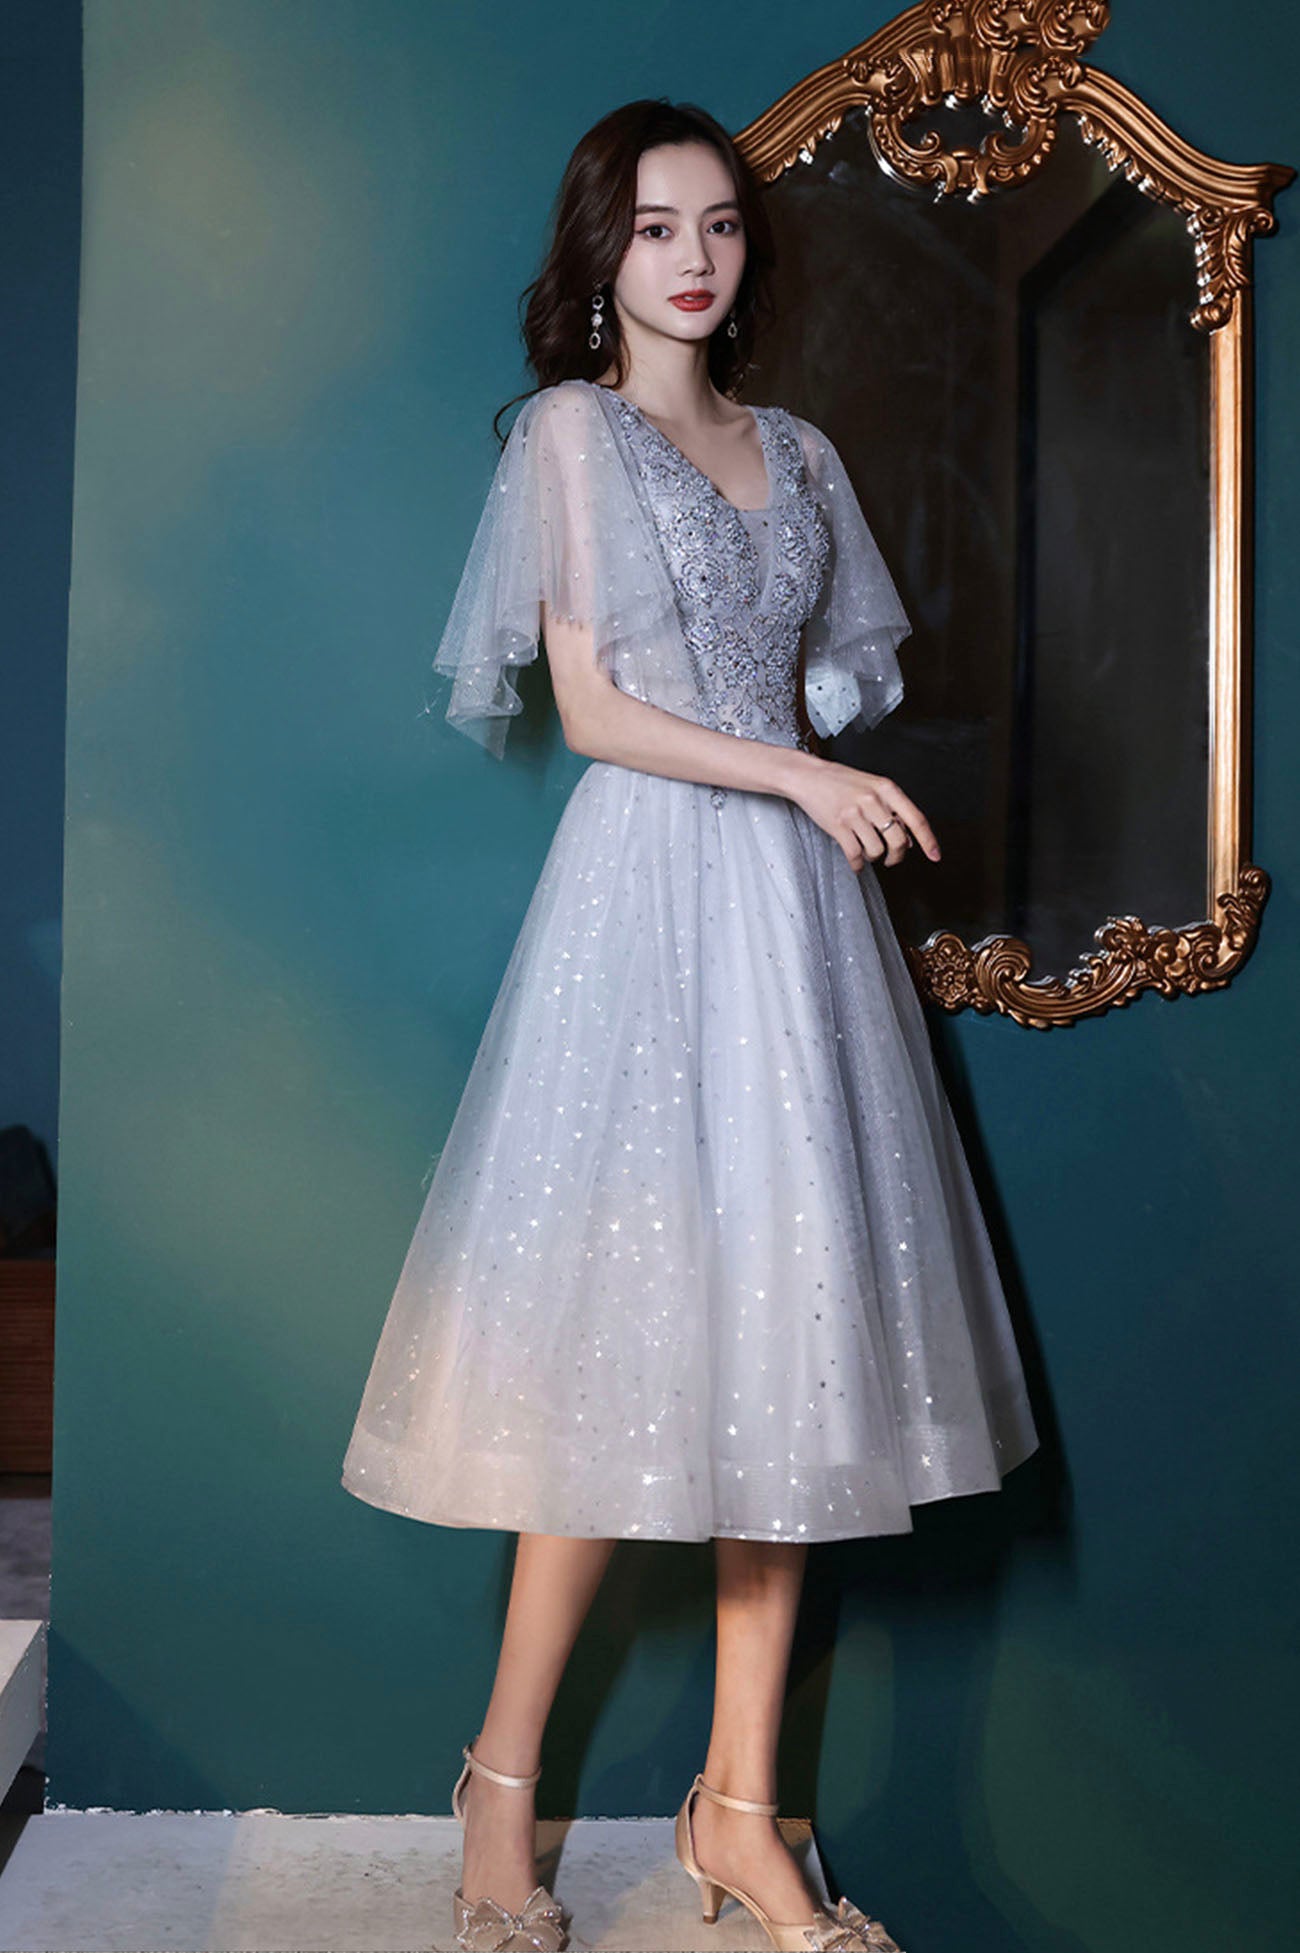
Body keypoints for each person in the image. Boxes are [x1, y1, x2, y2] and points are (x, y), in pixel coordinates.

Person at [341, 97, 1039, 1953]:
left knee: (794, 1347)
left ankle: (740, 1808)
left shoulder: (800, 452)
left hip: (795, 929)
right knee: (606, 1352)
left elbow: (825, 673)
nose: (695, 257)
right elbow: (593, 711)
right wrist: (802, 778)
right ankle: (503, 1779)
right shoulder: (574, 432)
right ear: (604, 251)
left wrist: (808, 781)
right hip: (653, 896)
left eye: (721, 223)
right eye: (656, 227)